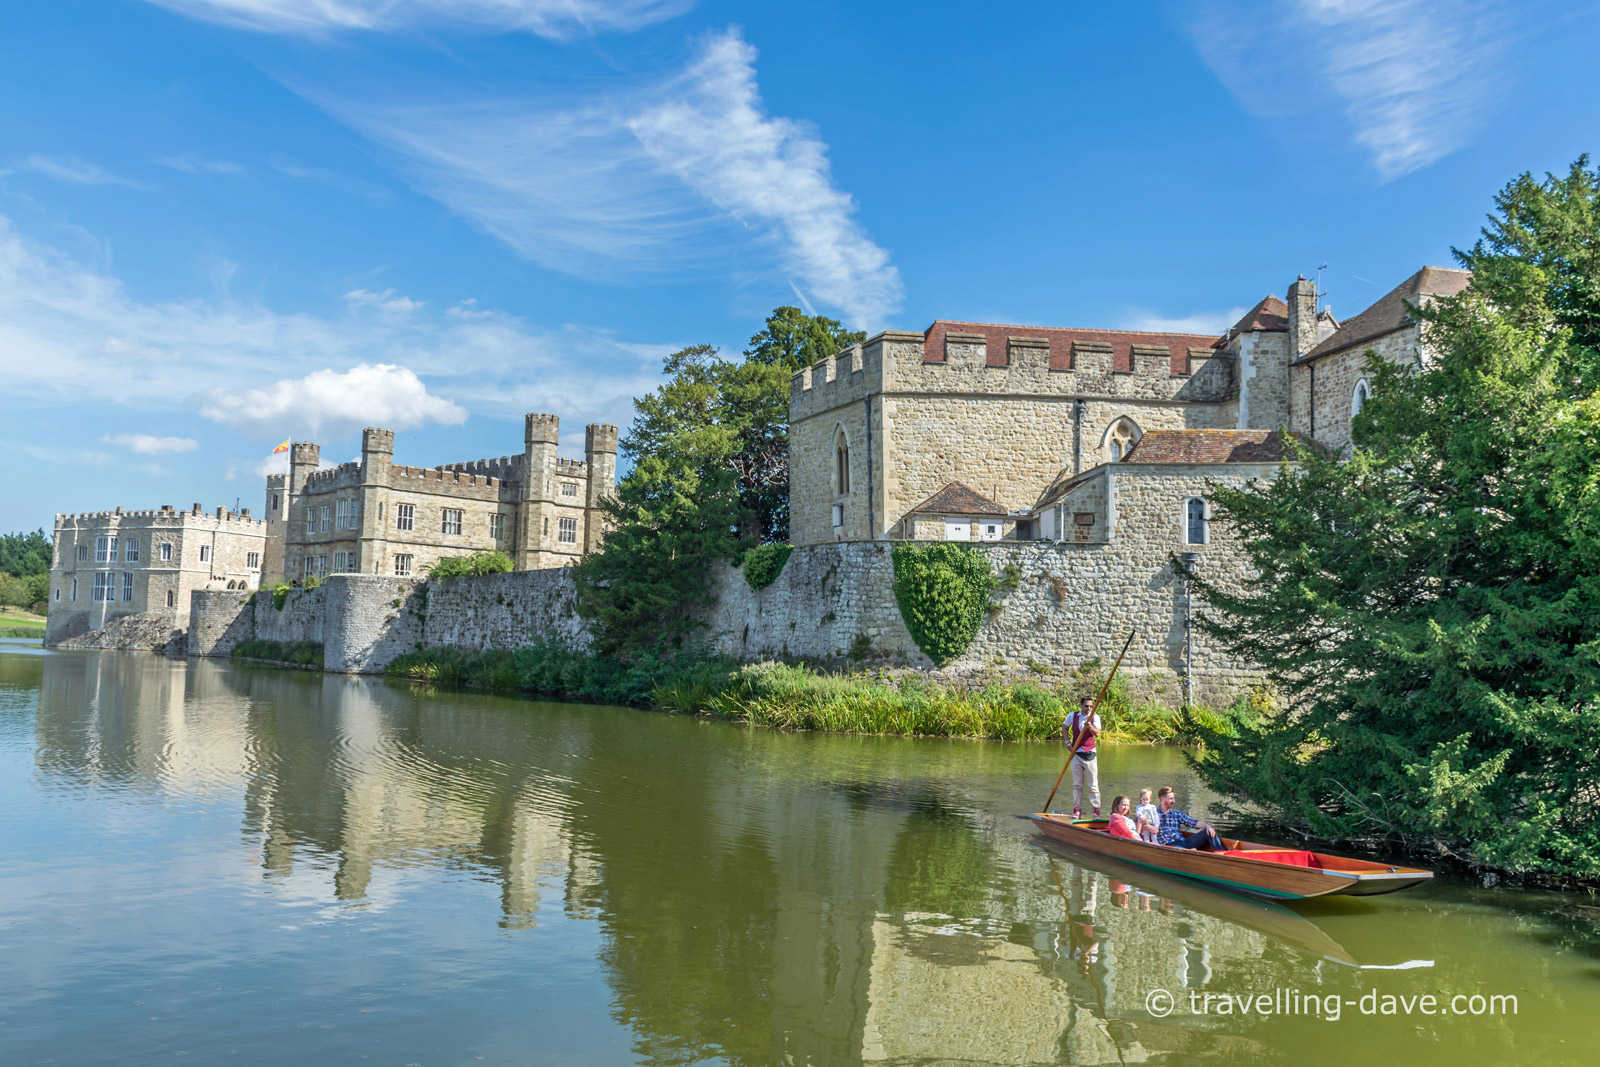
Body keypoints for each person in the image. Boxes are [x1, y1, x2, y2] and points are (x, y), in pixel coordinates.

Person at [1062, 695, 1101, 817]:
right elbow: (1064, 728)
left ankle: (1096, 811)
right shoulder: (1072, 716)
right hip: (1076, 754)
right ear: (1081, 705)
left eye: (1091, 706)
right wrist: (1067, 742)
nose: (1089, 708)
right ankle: (1076, 809)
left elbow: (1098, 734)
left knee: (1093, 785)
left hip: (1090, 754)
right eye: (1086, 706)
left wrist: (1090, 727)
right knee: (1077, 785)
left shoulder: (1095, 717)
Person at [1154, 786, 1224, 851]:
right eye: (1171, 799)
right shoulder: (1154, 814)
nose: (1174, 801)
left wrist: (1207, 826)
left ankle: (1223, 854)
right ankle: (1190, 853)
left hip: (1184, 841)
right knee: (1180, 850)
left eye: (1173, 798)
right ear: (1162, 799)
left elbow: (1192, 822)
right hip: (1170, 845)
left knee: (1208, 831)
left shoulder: (1177, 813)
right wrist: (1147, 827)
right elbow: (1143, 825)